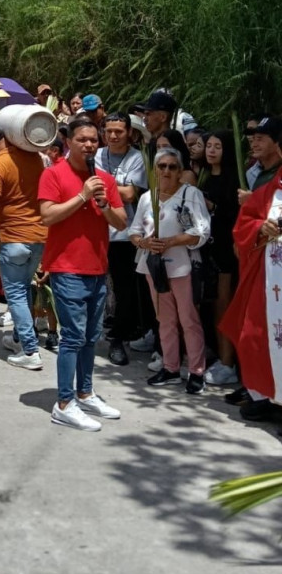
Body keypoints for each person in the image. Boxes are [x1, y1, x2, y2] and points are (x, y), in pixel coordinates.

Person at [38, 118, 126, 431]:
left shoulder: (104, 179)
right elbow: (47, 216)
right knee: (73, 337)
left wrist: (103, 204)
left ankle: (85, 392)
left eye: (93, 140)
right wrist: (82, 197)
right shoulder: (53, 174)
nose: (89, 145)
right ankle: (63, 403)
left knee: (91, 337)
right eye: (82, 140)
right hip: (66, 267)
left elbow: (121, 222)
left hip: (97, 268)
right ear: (69, 142)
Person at [129, 148, 210, 394]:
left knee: (189, 319)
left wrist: (172, 241)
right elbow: (134, 231)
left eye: (172, 166)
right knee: (164, 320)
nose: (166, 171)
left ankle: (197, 371)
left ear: (180, 171)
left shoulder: (191, 194)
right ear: (155, 171)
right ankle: (171, 367)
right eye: (161, 166)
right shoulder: (147, 198)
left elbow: (202, 231)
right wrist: (145, 243)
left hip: (182, 265)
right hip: (154, 267)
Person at [0, 123, 50, 368]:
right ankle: (20, 338)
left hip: (13, 237)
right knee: (25, 288)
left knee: (17, 294)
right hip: (39, 236)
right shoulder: (34, 158)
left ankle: (30, 351)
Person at [220, 166, 282, 421]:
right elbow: (245, 221)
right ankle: (265, 398)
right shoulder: (272, 187)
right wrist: (259, 227)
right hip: (268, 282)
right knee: (256, 337)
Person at [96, 113, 148, 366]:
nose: (114, 135)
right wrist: (116, 186)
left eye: (119, 131)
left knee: (124, 288)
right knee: (94, 284)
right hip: (95, 229)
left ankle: (118, 338)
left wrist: (103, 183)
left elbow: (129, 194)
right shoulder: (95, 155)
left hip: (124, 233)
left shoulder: (138, 158)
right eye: (109, 131)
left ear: (129, 132)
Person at [199, 130, 241, 386]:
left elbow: (236, 216)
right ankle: (217, 356)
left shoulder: (235, 180)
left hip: (226, 252)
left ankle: (228, 363)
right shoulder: (203, 176)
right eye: (209, 145)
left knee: (223, 307)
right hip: (207, 250)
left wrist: (213, 207)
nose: (211, 150)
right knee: (210, 305)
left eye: (218, 146)